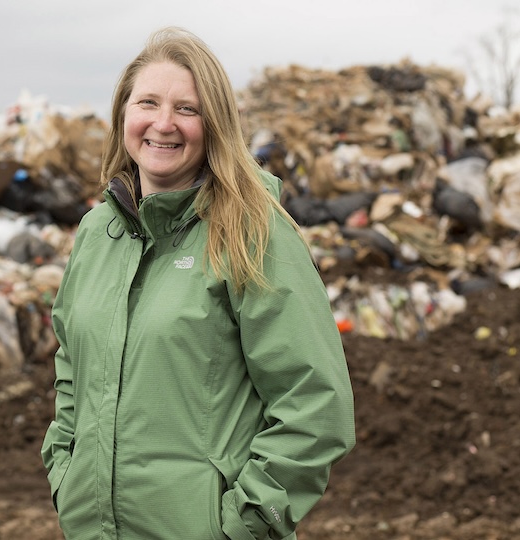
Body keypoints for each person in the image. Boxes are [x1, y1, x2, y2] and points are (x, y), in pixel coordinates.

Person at [41, 26, 355, 540]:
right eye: (148, 103)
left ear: (215, 124)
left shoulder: (252, 233)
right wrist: (65, 472)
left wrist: (244, 526)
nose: (163, 124)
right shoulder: (97, 233)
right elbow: (72, 366)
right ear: (124, 113)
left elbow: (317, 403)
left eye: (187, 109)